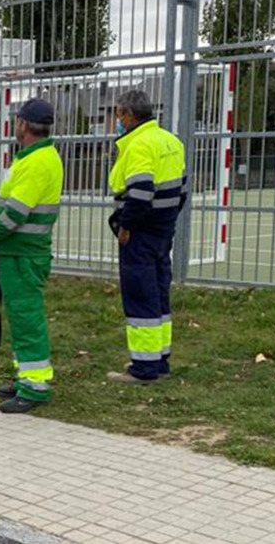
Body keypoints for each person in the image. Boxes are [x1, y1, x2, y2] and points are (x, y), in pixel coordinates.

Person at [0, 98, 63, 414]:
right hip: (19, 254)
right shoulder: (36, 157)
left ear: (22, 124)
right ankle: (26, 377)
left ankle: (34, 387)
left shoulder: (36, 162)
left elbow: (15, 214)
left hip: (24, 256)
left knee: (26, 318)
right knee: (21, 318)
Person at [107, 90, 187, 384]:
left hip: (139, 233)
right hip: (163, 231)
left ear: (129, 115)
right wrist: (167, 222)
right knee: (158, 293)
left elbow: (140, 192)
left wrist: (126, 227)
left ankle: (143, 368)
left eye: (118, 114)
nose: (117, 120)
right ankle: (160, 360)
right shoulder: (171, 141)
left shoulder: (139, 145)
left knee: (140, 296)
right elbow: (183, 190)